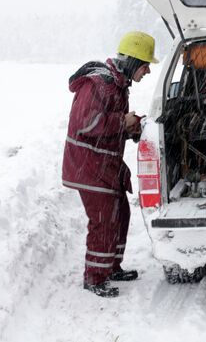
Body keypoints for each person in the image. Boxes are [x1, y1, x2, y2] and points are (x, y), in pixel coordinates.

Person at [62, 31, 157, 297]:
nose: (148, 71)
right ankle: (94, 277)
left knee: (120, 214)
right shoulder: (98, 84)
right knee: (104, 220)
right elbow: (86, 124)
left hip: (105, 165)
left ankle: (111, 267)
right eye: (145, 64)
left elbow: (108, 124)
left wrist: (133, 128)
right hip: (90, 166)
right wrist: (121, 122)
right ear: (132, 61)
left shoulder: (116, 85)